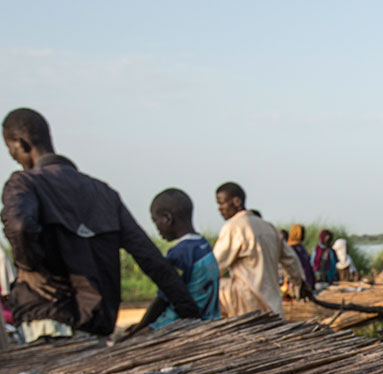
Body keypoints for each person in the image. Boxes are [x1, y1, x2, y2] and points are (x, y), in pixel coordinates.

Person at [0, 108, 200, 341]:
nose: (15, 158)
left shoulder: (25, 183)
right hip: (95, 323)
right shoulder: (104, 193)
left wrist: (29, 267)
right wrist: (194, 317)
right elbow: (152, 260)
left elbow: (19, 225)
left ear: (21, 144)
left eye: (11, 151)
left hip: (46, 317)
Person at [125, 188, 220, 336]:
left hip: (180, 325)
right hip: (209, 319)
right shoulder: (203, 245)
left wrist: (139, 328)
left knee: (126, 340)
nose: (156, 227)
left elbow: (163, 300)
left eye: (155, 220)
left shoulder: (180, 253)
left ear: (167, 218)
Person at [211, 181, 306, 317]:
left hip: (246, 304)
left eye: (221, 203)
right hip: (272, 304)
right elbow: (291, 260)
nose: (219, 209)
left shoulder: (234, 227)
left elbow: (214, 267)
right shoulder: (269, 227)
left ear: (237, 201)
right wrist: (300, 283)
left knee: (209, 284)